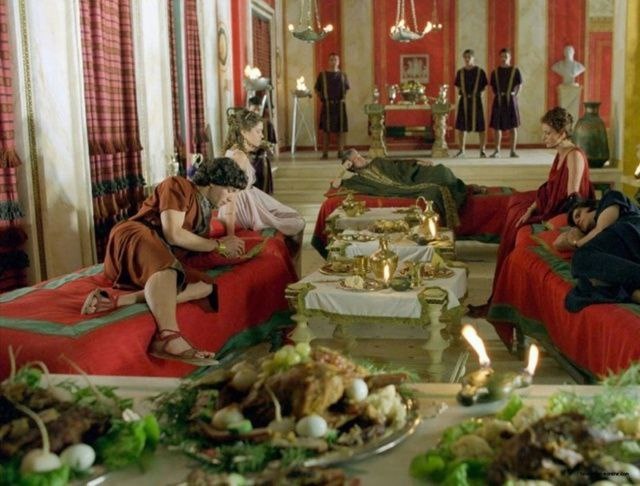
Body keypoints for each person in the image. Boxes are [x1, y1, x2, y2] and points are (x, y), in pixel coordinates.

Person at [81, 157, 248, 366]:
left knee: (207, 286)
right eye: (229, 190)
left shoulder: (204, 212)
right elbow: (173, 234)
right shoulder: (178, 185)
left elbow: (190, 251)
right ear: (213, 181)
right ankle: (168, 338)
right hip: (135, 238)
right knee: (168, 269)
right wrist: (219, 246)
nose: (230, 198)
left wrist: (228, 253)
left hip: (156, 259)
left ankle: (121, 300)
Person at [469, 106, 594, 319]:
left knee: (515, 218)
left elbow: (573, 196)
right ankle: (499, 294)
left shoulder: (574, 156)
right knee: (516, 206)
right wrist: (532, 207)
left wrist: (553, 221)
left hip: (564, 208)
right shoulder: (561, 152)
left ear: (563, 133)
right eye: (543, 132)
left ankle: (503, 298)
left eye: (548, 133)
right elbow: (551, 188)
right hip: (551, 202)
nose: (543, 138)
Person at [217, 109, 305, 238]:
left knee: (292, 216)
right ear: (244, 132)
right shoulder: (239, 157)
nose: (262, 135)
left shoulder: (236, 151)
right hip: (241, 208)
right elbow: (230, 197)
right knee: (295, 222)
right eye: (258, 131)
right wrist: (230, 236)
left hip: (247, 201)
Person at [331, 148, 469, 228]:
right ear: (351, 165)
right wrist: (343, 169)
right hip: (406, 188)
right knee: (434, 190)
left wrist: (418, 162)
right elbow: (335, 184)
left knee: (441, 171)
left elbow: (397, 164)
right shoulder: (358, 180)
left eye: (360, 155)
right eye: (355, 159)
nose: (360, 158)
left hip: (409, 177)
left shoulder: (377, 162)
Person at [554, 190, 640, 311]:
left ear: (590, 206)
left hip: (633, 237)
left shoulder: (611, 196)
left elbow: (601, 228)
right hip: (628, 258)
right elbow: (557, 244)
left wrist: (577, 243)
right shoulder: (599, 241)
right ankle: (632, 293)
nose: (577, 221)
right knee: (583, 286)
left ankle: (630, 291)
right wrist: (574, 236)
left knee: (581, 258)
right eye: (576, 224)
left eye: (578, 215)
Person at [315, 52, 350, 159]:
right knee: (326, 130)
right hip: (327, 105)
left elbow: (347, 89)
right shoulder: (322, 75)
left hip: (340, 105)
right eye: (331, 59)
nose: (333, 62)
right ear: (328, 61)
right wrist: (324, 99)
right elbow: (317, 89)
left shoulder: (343, 75)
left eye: (335, 60)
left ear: (338, 62)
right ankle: (325, 153)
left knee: (340, 130)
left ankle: (340, 151)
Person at [489, 48, 523, 158]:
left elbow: (519, 85)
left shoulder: (515, 71)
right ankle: (496, 150)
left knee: (513, 126)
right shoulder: (495, 72)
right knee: (497, 126)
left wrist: (515, 95)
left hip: (511, 100)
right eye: (502, 56)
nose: (504, 59)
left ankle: (512, 151)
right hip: (499, 100)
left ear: (510, 58)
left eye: (506, 56)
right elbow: (493, 87)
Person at [454, 49, 488, 158]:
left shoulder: (480, 72)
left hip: (476, 101)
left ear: (473, 58)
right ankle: (461, 150)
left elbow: (484, 86)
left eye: (469, 57)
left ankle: (482, 150)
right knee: (461, 126)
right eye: (465, 57)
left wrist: (478, 94)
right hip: (464, 101)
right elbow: (458, 86)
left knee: (481, 126)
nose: (467, 59)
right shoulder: (460, 72)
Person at [247, 96, 275, 194]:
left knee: (263, 191)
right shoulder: (243, 125)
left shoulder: (267, 124)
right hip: (247, 160)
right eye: (254, 109)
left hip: (262, 161)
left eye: (258, 109)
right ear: (248, 108)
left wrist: (268, 148)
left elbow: (272, 145)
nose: (256, 112)